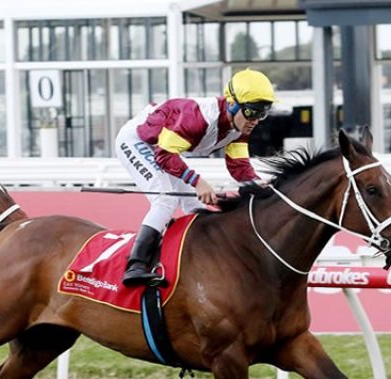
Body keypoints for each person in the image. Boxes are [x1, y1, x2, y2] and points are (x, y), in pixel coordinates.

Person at [114, 68, 275, 287]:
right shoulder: (198, 117)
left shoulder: (240, 126)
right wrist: (198, 182)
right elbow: (164, 155)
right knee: (165, 200)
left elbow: (239, 167)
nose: (255, 120)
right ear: (232, 103)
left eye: (262, 114)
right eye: (251, 112)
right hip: (139, 142)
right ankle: (136, 265)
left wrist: (260, 185)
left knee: (193, 205)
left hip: (164, 148)